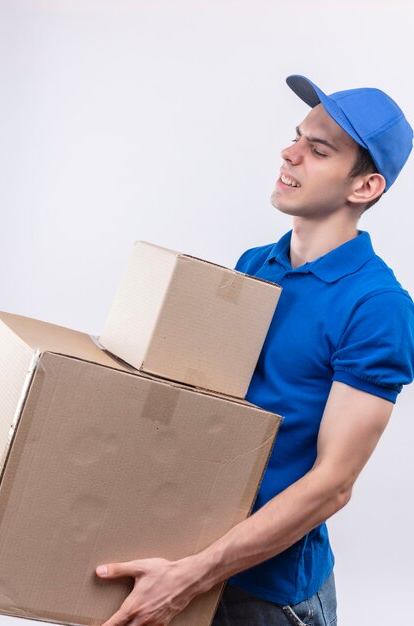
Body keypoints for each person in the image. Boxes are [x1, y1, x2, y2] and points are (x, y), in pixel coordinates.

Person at [95, 75, 414, 626]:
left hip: (268, 596)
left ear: (364, 187)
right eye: (296, 137)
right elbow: (209, 409)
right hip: (188, 557)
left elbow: (333, 484)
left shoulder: (377, 305)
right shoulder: (254, 265)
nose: (289, 154)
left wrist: (194, 574)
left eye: (318, 150)